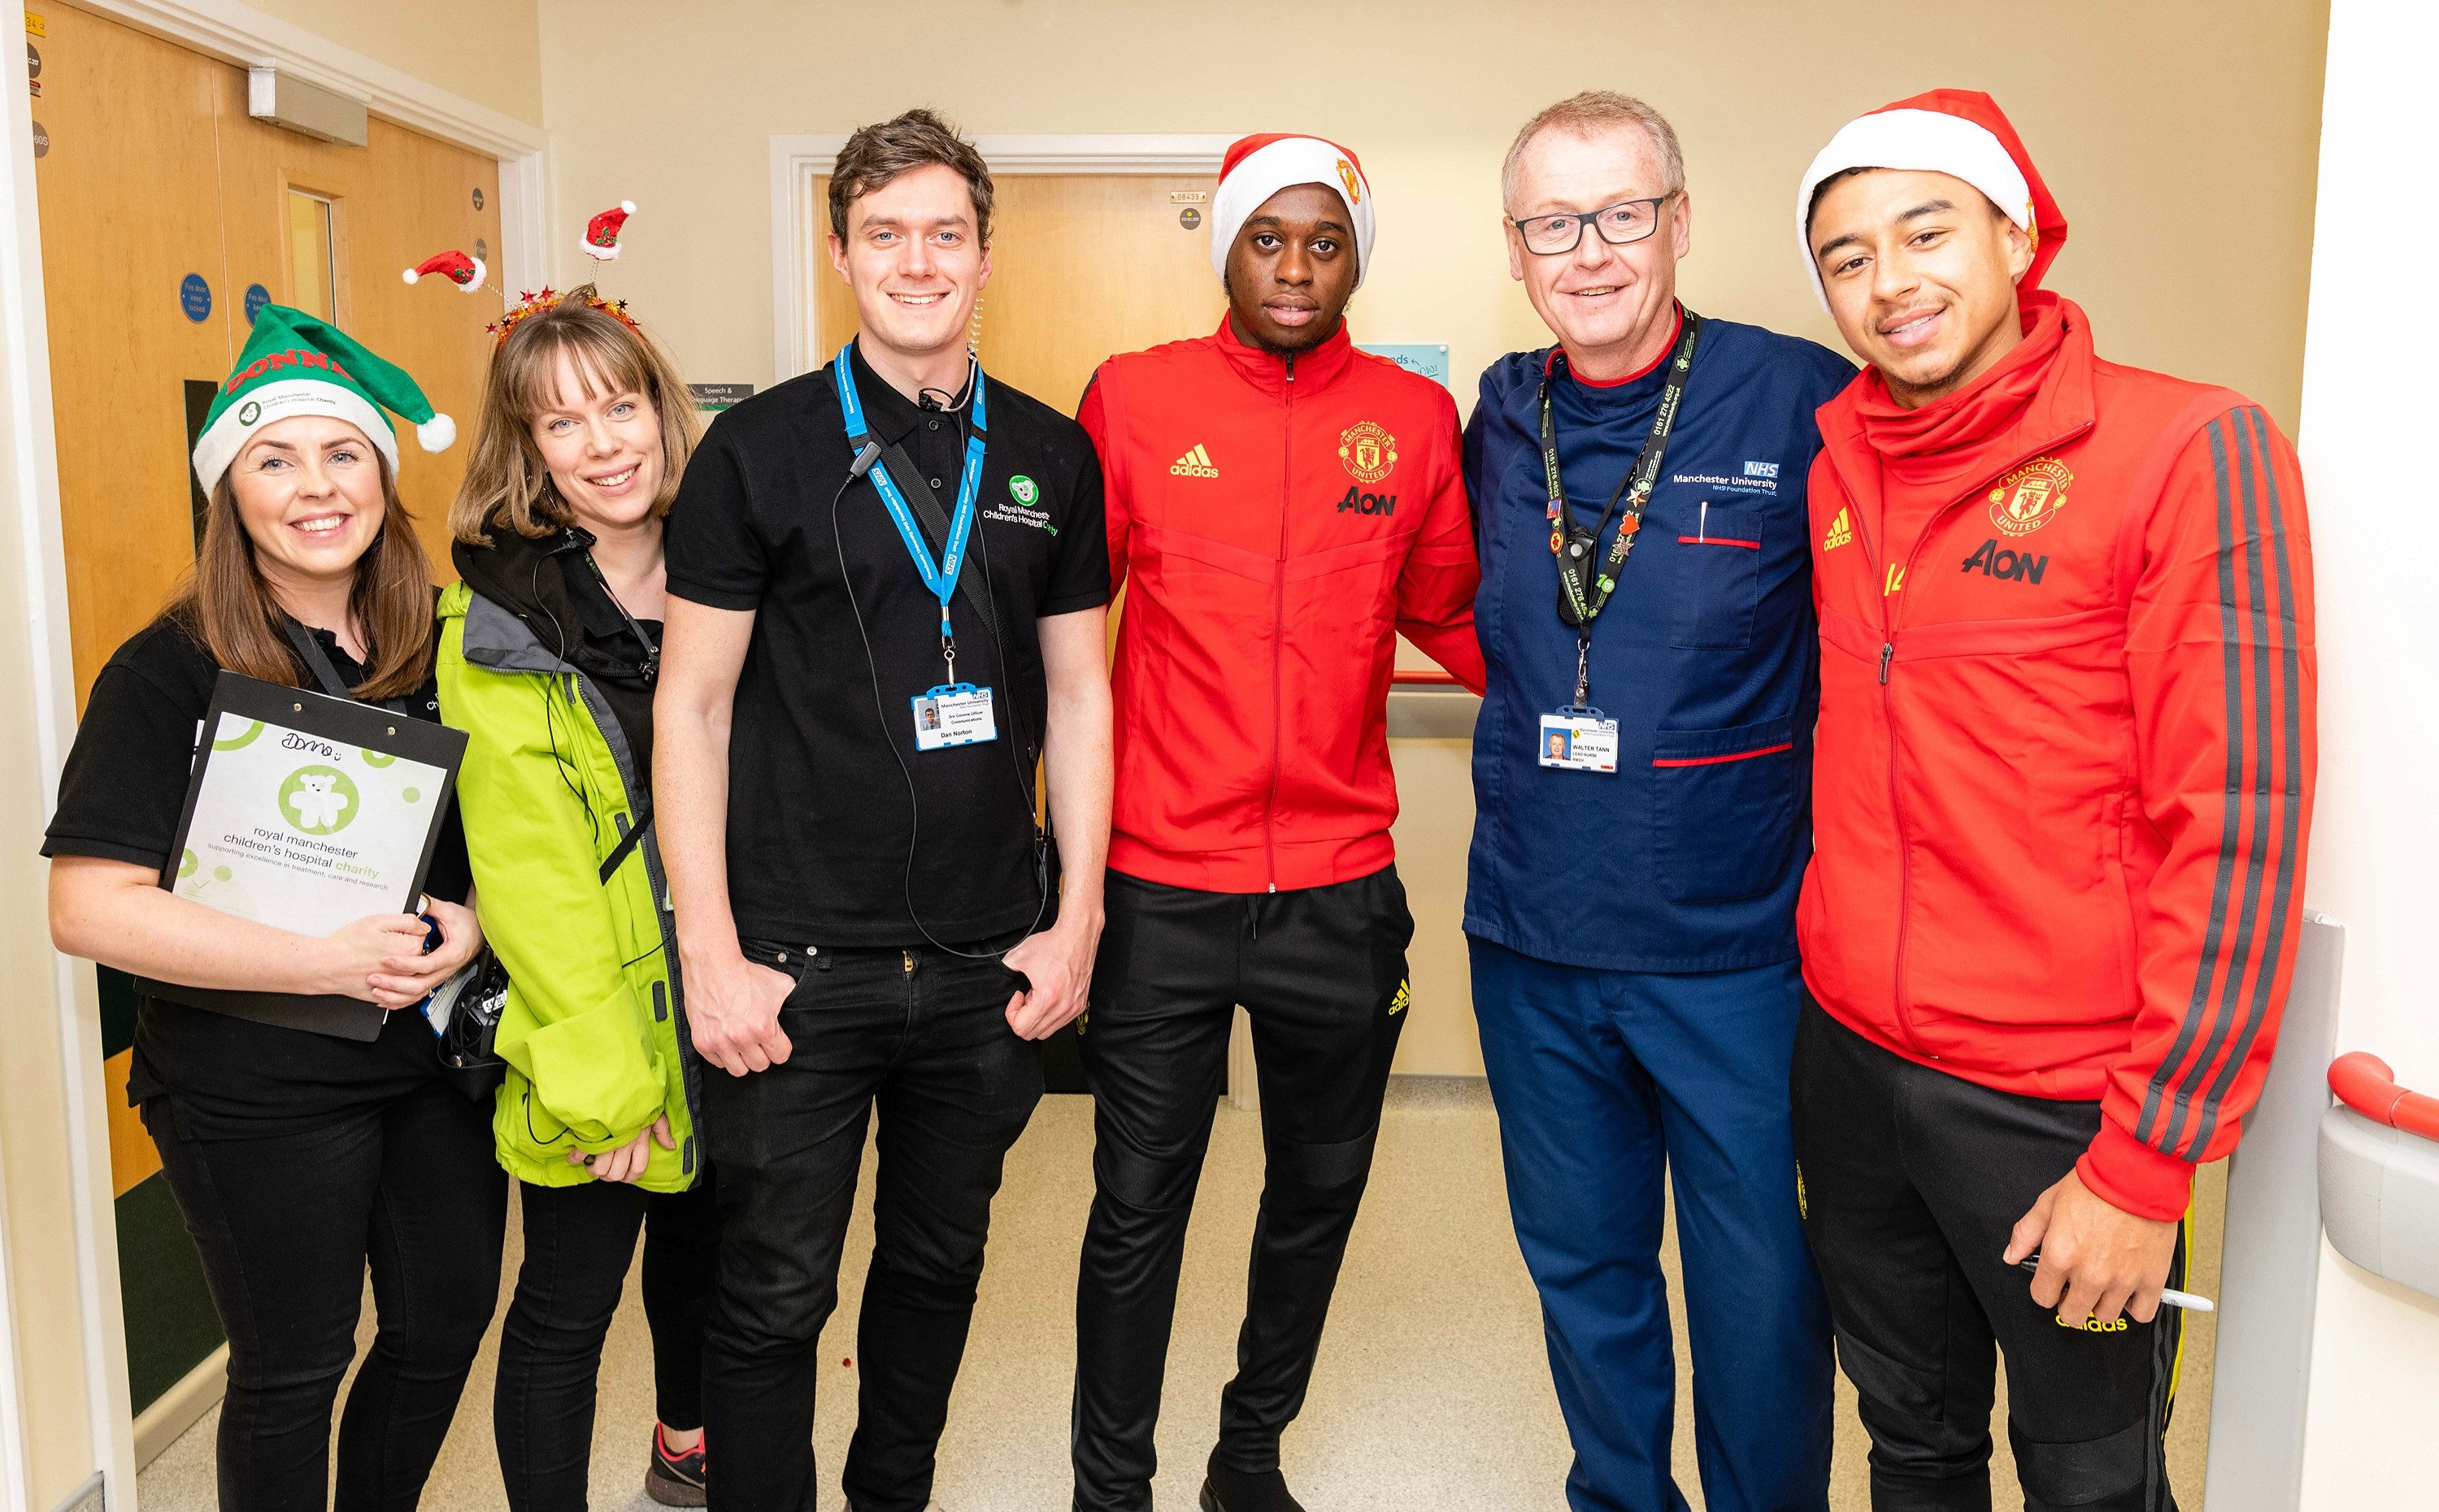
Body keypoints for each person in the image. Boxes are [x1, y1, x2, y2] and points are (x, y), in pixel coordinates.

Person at [1791, 89, 2316, 1510]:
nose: (1890, 281)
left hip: (2061, 1109)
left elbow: (2244, 821)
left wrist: (2150, 1163)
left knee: (2092, 1479)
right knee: (1909, 1445)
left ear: (2018, 229)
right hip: (1849, 1071)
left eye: (1926, 230)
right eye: (1846, 257)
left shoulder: (2187, 448)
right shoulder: (1838, 473)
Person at [654, 108, 1113, 1512]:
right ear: (842, 252)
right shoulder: (760, 453)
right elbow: (694, 707)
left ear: (986, 258)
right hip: (793, 962)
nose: (918, 261)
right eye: (886, 234)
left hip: (986, 963)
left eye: (946, 234)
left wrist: (1076, 920)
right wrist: (709, 949)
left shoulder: (1049, 454)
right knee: (775, 1288)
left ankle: (891, 1494)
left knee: (937, 1268)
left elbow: (1083, 697)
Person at [1072, 132, 1484, 1512]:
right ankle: (1108, 1487)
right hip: (1159, 886)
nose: (1296, 267)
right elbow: (1060, 625)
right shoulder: (1135, 400)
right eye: (1268, 238)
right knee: (1137, 1214)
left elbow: (1456, 611)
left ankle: (1249, 1456)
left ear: (1356, 254)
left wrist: (1652, 692)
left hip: (1337, 889)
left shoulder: (1415, 423)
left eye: (1324, 240)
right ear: (1228, 250)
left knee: (1314, 1198)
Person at [1461, 93, 1854, 1512]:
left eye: (1623, 213)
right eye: (1552, 222)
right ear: (1516, 249)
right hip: (1534, 936)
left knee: (1758, 1285)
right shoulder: (1499, 417)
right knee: (1584, 1267)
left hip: (1734, 948)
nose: (1590, 251)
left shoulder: (1802, 400)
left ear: (1680, 223)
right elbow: (1485, 621)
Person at [44, 307, 502, 1510]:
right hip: (249, 1084)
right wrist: (320, 960)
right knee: (296, 1368)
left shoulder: (443, 643)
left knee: (441, 1329)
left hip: (428, 1061)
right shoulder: (169, 668)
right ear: (228, 494)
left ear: (383, 476)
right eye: (274, 461)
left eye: (343, 454)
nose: (316, 489)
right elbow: (89, 908)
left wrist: (474, 923)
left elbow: (505, 844)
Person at [437, 282, 717, 1509]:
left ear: (664, 409)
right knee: (566, 1305)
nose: (605, 444)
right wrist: (607, 1084)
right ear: (526, 452)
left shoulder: (737, 565)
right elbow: (532, 879)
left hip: (736, 998)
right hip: (593, 1023)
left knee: (715, 1267)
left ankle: (687, 1440)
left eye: (621, 405)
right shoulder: (499, 622)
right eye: (563, 424)